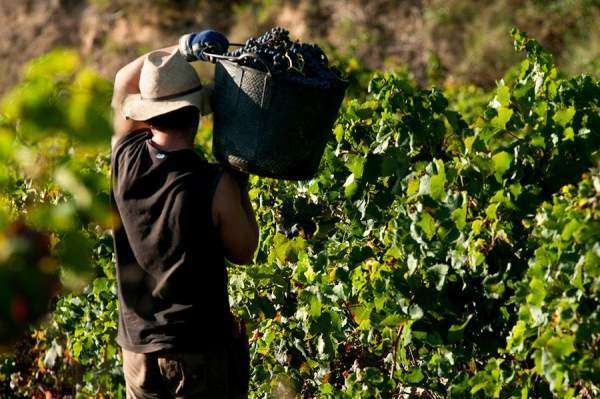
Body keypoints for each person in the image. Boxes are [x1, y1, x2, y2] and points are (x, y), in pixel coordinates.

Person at [110, 30, 259, 399]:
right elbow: (244, 250)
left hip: (136, 351)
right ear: (197, 114)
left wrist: (181, 49)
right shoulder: (215, 184)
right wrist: (240, 184)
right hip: (196, 352)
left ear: (147, 114)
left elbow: (122, 79)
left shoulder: (124, 156)